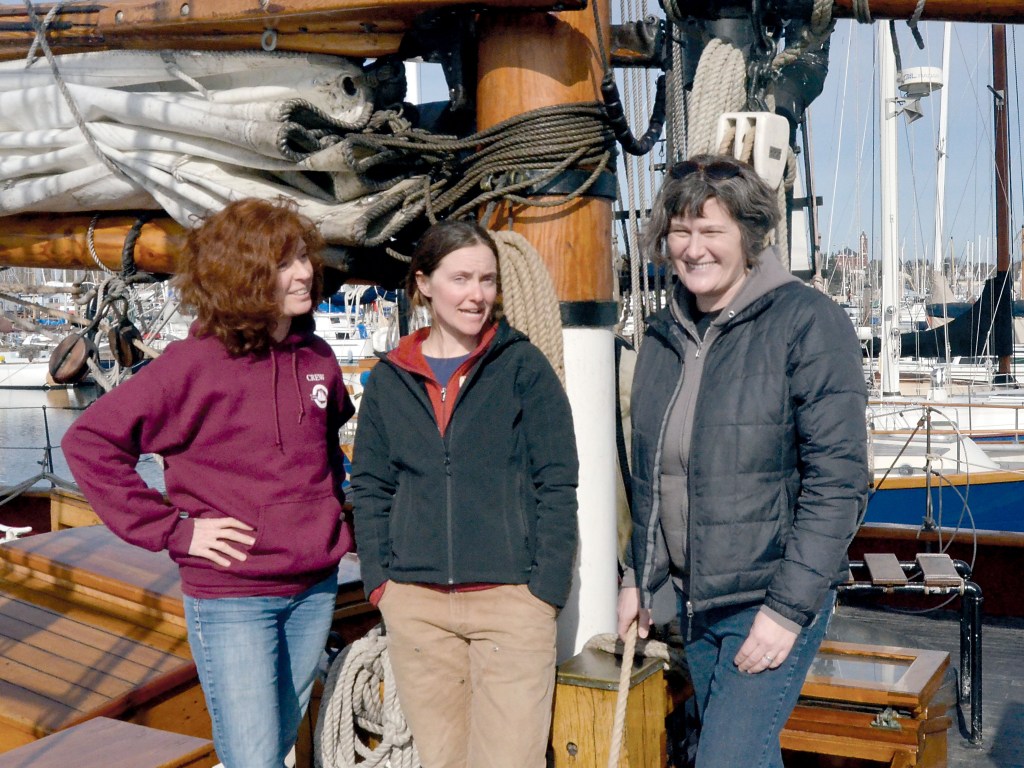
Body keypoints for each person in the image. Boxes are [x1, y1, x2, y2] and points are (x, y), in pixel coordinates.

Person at [62, 198, 355, 768]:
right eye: (283, 264)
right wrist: (175, 530)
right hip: (232, 593)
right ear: (241, 275)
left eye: (303, 258)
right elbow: (89, 443)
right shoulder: (191, 365)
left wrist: (329, 514)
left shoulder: (318, 358)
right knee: (253, 757)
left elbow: (323, 452)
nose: (303, 273)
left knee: (275, 744)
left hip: (314, 584)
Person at [616, 154, 869, 768]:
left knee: (727, 758)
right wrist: (636, 580)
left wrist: (786, 612)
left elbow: (838, 484)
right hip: (693, 601)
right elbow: (651, 479)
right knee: (739, 753)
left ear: (750, 236)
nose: (693, 248)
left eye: (711, 230)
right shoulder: (664, 335)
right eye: (680, 231)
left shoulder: (807, 323)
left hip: (769, 596)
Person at [349, 219, 579, 768]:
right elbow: (372, 485)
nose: (476, 295)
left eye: (487, 280)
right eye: (461, 279)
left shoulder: (522, 367)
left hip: (511, 603)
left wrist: (543, 591)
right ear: (424, 284)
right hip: (417, 606)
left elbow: (557, 481)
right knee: (442, 760)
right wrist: (382, 583)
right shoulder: (390, 379)